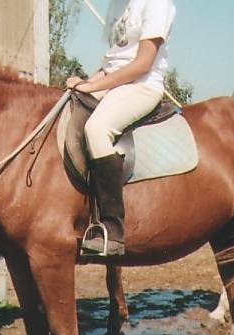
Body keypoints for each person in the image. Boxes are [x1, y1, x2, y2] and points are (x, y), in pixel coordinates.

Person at [66, 0, 176, 256]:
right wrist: (86, 82)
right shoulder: (117, 6)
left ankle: (112, 230)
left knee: (97, 129)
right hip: (114, 84)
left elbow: (142, 64)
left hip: (142, 85)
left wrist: (93, 87)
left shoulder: (157, 4)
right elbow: (112, 64)